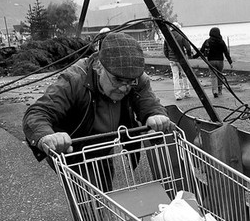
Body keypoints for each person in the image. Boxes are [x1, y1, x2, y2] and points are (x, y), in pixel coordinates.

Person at [23, 31, 172, 184]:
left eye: (130, 81)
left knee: (105, 188)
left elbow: (148, 101)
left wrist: (155, 114)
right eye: (117, 80)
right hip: (74, 150)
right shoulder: (73, 80)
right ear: (98, 67)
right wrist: (47, 136)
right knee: (87, 196)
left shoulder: (135, 77)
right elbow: (37, 113)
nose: (123, 88)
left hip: (103, 145)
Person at [195, 27, 232, 98]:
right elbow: (226, 52)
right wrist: (230, 62)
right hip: (220, 61)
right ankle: (220, 90)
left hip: (211, 61)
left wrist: (194, 56)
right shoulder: (221, 42)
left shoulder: (207, 41)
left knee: (213, 76)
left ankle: (215, 91)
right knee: (219, 75)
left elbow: (201, 51)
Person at [163, 22, 193, 101]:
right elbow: (188, 47)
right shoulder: (181, 35)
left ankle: (178, 95)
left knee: (175, 77)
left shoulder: (167, 36)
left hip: (172, 59)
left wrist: (169, 57)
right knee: (184, 75)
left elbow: (165, 50)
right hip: (181, 59)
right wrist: (189, 55)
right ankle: (187, 92)